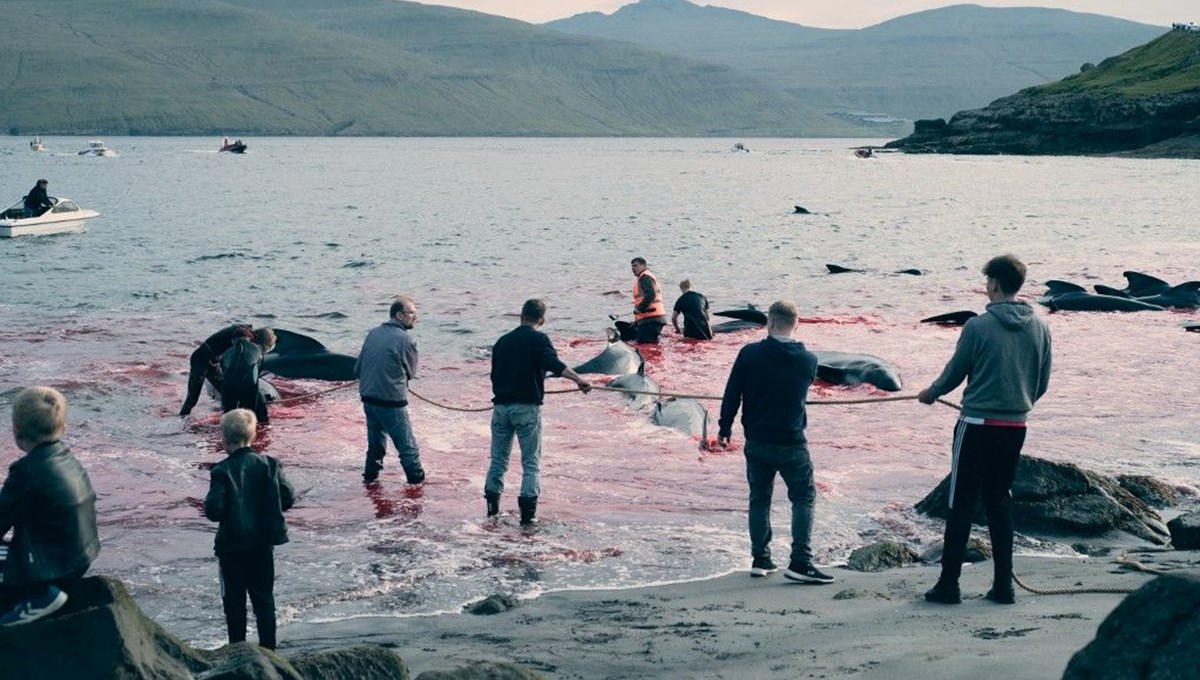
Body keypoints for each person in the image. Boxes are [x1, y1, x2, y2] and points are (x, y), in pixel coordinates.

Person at [919, 254, 1052, 606]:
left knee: (960, 504)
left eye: (987, 280)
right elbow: (1042, 381)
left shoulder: (977, 326)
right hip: (1015, 426)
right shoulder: (1040, 326)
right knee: (999, 504)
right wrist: (1018, 402)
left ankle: (949, 585)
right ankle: (1004, 587)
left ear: (993, 283)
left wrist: (931, 393)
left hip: (976, 425)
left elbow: (955, 372)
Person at [717, 300, 834, 585]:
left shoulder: (748, 354)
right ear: (797, 324)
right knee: (803, 498)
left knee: (759, 499)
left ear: (769, 322)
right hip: (791, 441)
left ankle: (761, 558)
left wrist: (724, 427)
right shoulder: (809, 360)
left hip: (756, 440)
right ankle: (800, 562)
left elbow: (732, 393)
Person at [485, 299, 593, 525]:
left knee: (497, 461)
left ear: (521, 316)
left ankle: (492, 512)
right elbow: (553, 363)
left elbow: (494, 376)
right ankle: (528, 519)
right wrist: (578, 380)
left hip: (500, 408)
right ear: (541, 320)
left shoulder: (502, 342)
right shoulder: (539, 339)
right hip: (526, 408)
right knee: (531, 463)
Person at [0, 386, 100, 626]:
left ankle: (39, 597)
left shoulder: (26, 472)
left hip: (50, 569)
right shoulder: (67, 459)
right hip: (79, 559)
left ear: (16, 432)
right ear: (63, 428)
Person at [204, 409, 294, 649]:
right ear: (253, 436)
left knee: (233, 602)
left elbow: (214, 511)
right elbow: (288, 498)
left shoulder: (221, 471)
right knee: (264, 599)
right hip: (263, 544)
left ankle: (238, 650)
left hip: (231, 547)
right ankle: (269, 651)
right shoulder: (269, 464)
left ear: (224, 439)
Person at [356, 297, 425, 484]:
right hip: (391, 402)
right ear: (399, 315)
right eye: (412, 313)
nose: (415, 317)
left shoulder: (372, 333)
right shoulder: (406, 340)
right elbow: (410, 373)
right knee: (407, 448)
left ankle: (370, 479)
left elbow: (357, 368)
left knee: (375, 446)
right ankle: (417, 484)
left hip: (368, 399)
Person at [180, 324, 254, 417]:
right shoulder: (239, 334)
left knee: (225, 390)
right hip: (200, 360)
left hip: (213, 361)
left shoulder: (243, 332)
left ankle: (232, 414)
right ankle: (181, 420)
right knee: (192, 398)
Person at [219, 328, 276, 424]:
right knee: (261, 420)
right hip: (249, 388)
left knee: (229, 419)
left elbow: (224, 372)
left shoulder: (226, 354)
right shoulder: (257, 350)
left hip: (228, 389)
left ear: (233, 340)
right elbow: (254, 378)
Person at [630, 257, 668, 344]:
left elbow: (651, 295)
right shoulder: (645, 278)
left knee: (645, 345)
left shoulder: (645, 277)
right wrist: (636, 321)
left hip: (651, 319)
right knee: (652, 345)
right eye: (632, 267)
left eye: (635, 266)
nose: (633, 268)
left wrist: (639, 308)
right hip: (654, 318)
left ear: (644, 266)